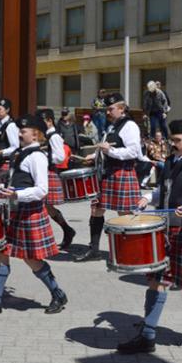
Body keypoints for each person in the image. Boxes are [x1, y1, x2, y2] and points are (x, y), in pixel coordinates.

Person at [117, 119, 182, 353]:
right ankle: (148, 335)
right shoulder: (171, 161)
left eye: (177, 140)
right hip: (164, 230)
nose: (172, 143)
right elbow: (165, 190)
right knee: (156, 281)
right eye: (172, 139)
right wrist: (147, 198)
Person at [0, 114, 68, 315]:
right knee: (2, 252)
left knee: (31, 259)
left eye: (23, 131)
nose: (19, 134)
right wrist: (2, 187)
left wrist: (17, 193)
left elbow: (42, 190)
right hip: (15, 211)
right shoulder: (20, 154)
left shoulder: (37, 156)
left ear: (35, 135)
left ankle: (57, 293)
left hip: (29, 212)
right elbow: (18, 182)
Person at [75, 93, 141, 262]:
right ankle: (94, 249)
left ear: (122, 108)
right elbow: (105, 147)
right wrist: (95, 155)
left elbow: (133, 152)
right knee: (96, 209)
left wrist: (109, 151)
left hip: (122, 171)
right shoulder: (112, 126)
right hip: (107, 171)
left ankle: (131, 251)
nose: (107, 112)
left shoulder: (130, 126)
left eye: (111, 109)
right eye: (106, 109)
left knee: (124, 213)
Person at [37, 109, 76, 249]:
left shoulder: (54, 136)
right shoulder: (47, 135)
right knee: (45, 207)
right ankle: (67, 230)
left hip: (50, 173)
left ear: (49, 121)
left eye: (41, 121)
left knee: (42, 207)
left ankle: (48, 238)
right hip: (45, 172)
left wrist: (42, 156)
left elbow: (60, 157)